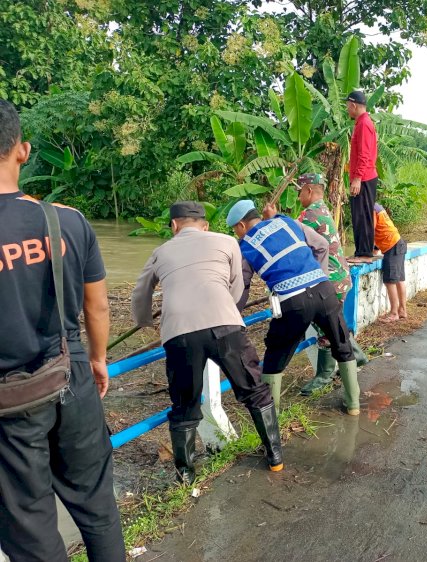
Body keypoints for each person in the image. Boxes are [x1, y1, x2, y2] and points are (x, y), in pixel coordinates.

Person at [0, 100, 126, 562]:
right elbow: (96, 305)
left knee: (30, 528)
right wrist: (97, 359)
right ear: (23, 150)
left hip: (11, 399)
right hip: (71, 370)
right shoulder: (67, 220)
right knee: (96, 504)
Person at [132, 202, 284, 483]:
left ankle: (186, 475)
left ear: (174, 226)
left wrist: (146, 323)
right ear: (205, 225)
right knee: (254, 390)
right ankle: (275, 456)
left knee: (185, 403)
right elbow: (237, 285)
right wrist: (227, 308)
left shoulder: (160, 251)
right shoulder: (228, 241)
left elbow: (140, 295)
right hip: (225, 324)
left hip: (180, 333)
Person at [226, 200, 361, 416]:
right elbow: (322, 245)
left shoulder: (245, 246)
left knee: (274, 357)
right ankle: (354, 406)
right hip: (324, 291)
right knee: (341, 342)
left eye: (236, 229)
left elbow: (243, 285)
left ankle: (273, 417)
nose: (237, 233)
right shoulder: (288, 222)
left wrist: (234, 314)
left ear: (241, 225)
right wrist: (319, 276)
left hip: (292, 300)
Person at [292, 173, 369, 396]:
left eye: (299, 192)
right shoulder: (323, 209)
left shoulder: (309, 214)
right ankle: (357, 355)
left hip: (330, 281)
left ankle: (324, 375)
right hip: (339, 277)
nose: (298, 197)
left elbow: (288, 235)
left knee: (325, 327)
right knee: (333, 323)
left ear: (308, 191)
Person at [346, 90, 378, 263]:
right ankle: (360, 251)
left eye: (347, 106)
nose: (346, 109)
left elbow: (365, 154)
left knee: (363, 215)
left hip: (364, 177)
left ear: (353, 105)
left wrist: (357, 178)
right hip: (363, 176)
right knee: (358, 214)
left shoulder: (364, 123)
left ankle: (365, 253)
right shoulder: (362, 123)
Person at [373, 203, 408, 322]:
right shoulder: (377, 206)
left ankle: (394, 313)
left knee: (390, 281)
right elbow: (380, 229)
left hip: (391, 246)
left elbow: (371, 230)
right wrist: (376, 248)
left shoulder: (371, 209)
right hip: (398, 243)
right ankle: (402, 310)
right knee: (399, 279)